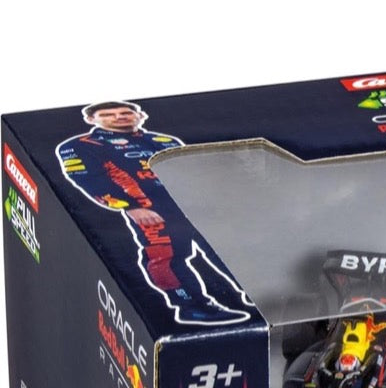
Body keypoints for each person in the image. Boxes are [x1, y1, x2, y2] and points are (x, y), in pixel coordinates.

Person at [57, 101, 250, 324]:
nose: (119, 117)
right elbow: (89, 180)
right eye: (109, 114)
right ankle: (191, 307)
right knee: (166, 256)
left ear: (140, 115)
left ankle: (252, 296)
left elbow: (192, 170)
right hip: (149, 208)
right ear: (92, 119)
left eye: (126, 112)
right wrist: (131, 207)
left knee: (227, 248)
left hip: (195, 205)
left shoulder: (164, 140)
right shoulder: (80, 145)